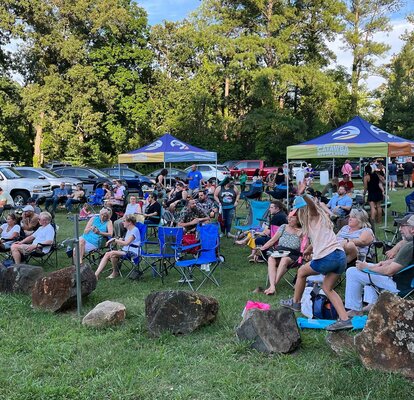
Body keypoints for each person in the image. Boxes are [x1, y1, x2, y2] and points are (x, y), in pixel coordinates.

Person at [280, 182, 352, 331]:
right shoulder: (321, 220)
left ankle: (296, 302)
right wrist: (309, 249)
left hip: (328, 257)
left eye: (297, 212)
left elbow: (312, 205)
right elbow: (321, 237)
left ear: (302, 211)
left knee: (301, 272)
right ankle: (345, 319)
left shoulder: (313, 214)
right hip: (340, 257)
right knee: (327, 288)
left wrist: (303, 195)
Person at [344, 214, 414, 317]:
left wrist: (367, 268)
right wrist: (382, 263)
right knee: (370, 265)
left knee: (352, 272)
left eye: (403, 226)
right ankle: (372, 303)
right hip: (407, 282)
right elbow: (404, 261)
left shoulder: (409, 246)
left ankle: (355, 310)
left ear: (412, 229)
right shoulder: (411, 244)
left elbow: (389, 271)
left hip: (398, 286)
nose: (400, 229)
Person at [259, 214, 305, 295]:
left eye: (292, 218)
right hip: (279, 251)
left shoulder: (302, 230)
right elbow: (273, 240)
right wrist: (262, 248)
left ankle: (273, 286)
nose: (289, 219)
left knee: (284, 259)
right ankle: (272, 287)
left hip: (293, 254)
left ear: (298, 220)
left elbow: (304, 248)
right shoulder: (283, 226)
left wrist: (301, 237)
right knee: (271, 258)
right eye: (288, 217)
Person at [95, 215, 141, 279]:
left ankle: (96, 274)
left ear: (129, 222)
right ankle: (114, 272)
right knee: (112, 255)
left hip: (133, 251)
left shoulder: (135, 230)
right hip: (126, 250)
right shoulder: (129, 230)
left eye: (124, 221)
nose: (122, 222)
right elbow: (126, 242)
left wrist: (115, 240)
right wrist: (121, 239)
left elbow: (126, 243)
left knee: (109, 253)